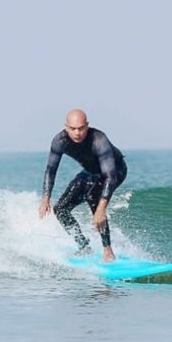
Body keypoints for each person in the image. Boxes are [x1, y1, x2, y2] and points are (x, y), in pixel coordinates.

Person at [39, 109, 127, 262]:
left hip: (115, 171)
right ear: (66, 127)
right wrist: (46, 197)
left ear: (87, 126)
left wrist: (101, 209)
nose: (77, 133)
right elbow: (51, 170)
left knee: (93, 196)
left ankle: (108, 251)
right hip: (90, 172)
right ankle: (84, 246)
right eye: (73, 129)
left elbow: (110, 176)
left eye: (81, 128)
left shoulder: (98, 140)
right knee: (60, 209)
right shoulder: (59, 141)